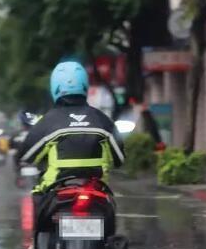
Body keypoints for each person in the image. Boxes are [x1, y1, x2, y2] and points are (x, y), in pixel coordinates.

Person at [17, 61, 125, 223]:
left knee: (38, 203)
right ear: (84, 86)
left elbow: (26, 156)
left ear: (55, 87)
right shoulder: (102, 120)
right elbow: (119, 159)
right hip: (96, 189)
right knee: (110, 217)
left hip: (57, 191)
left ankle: (36, 246)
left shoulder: (48, 122)